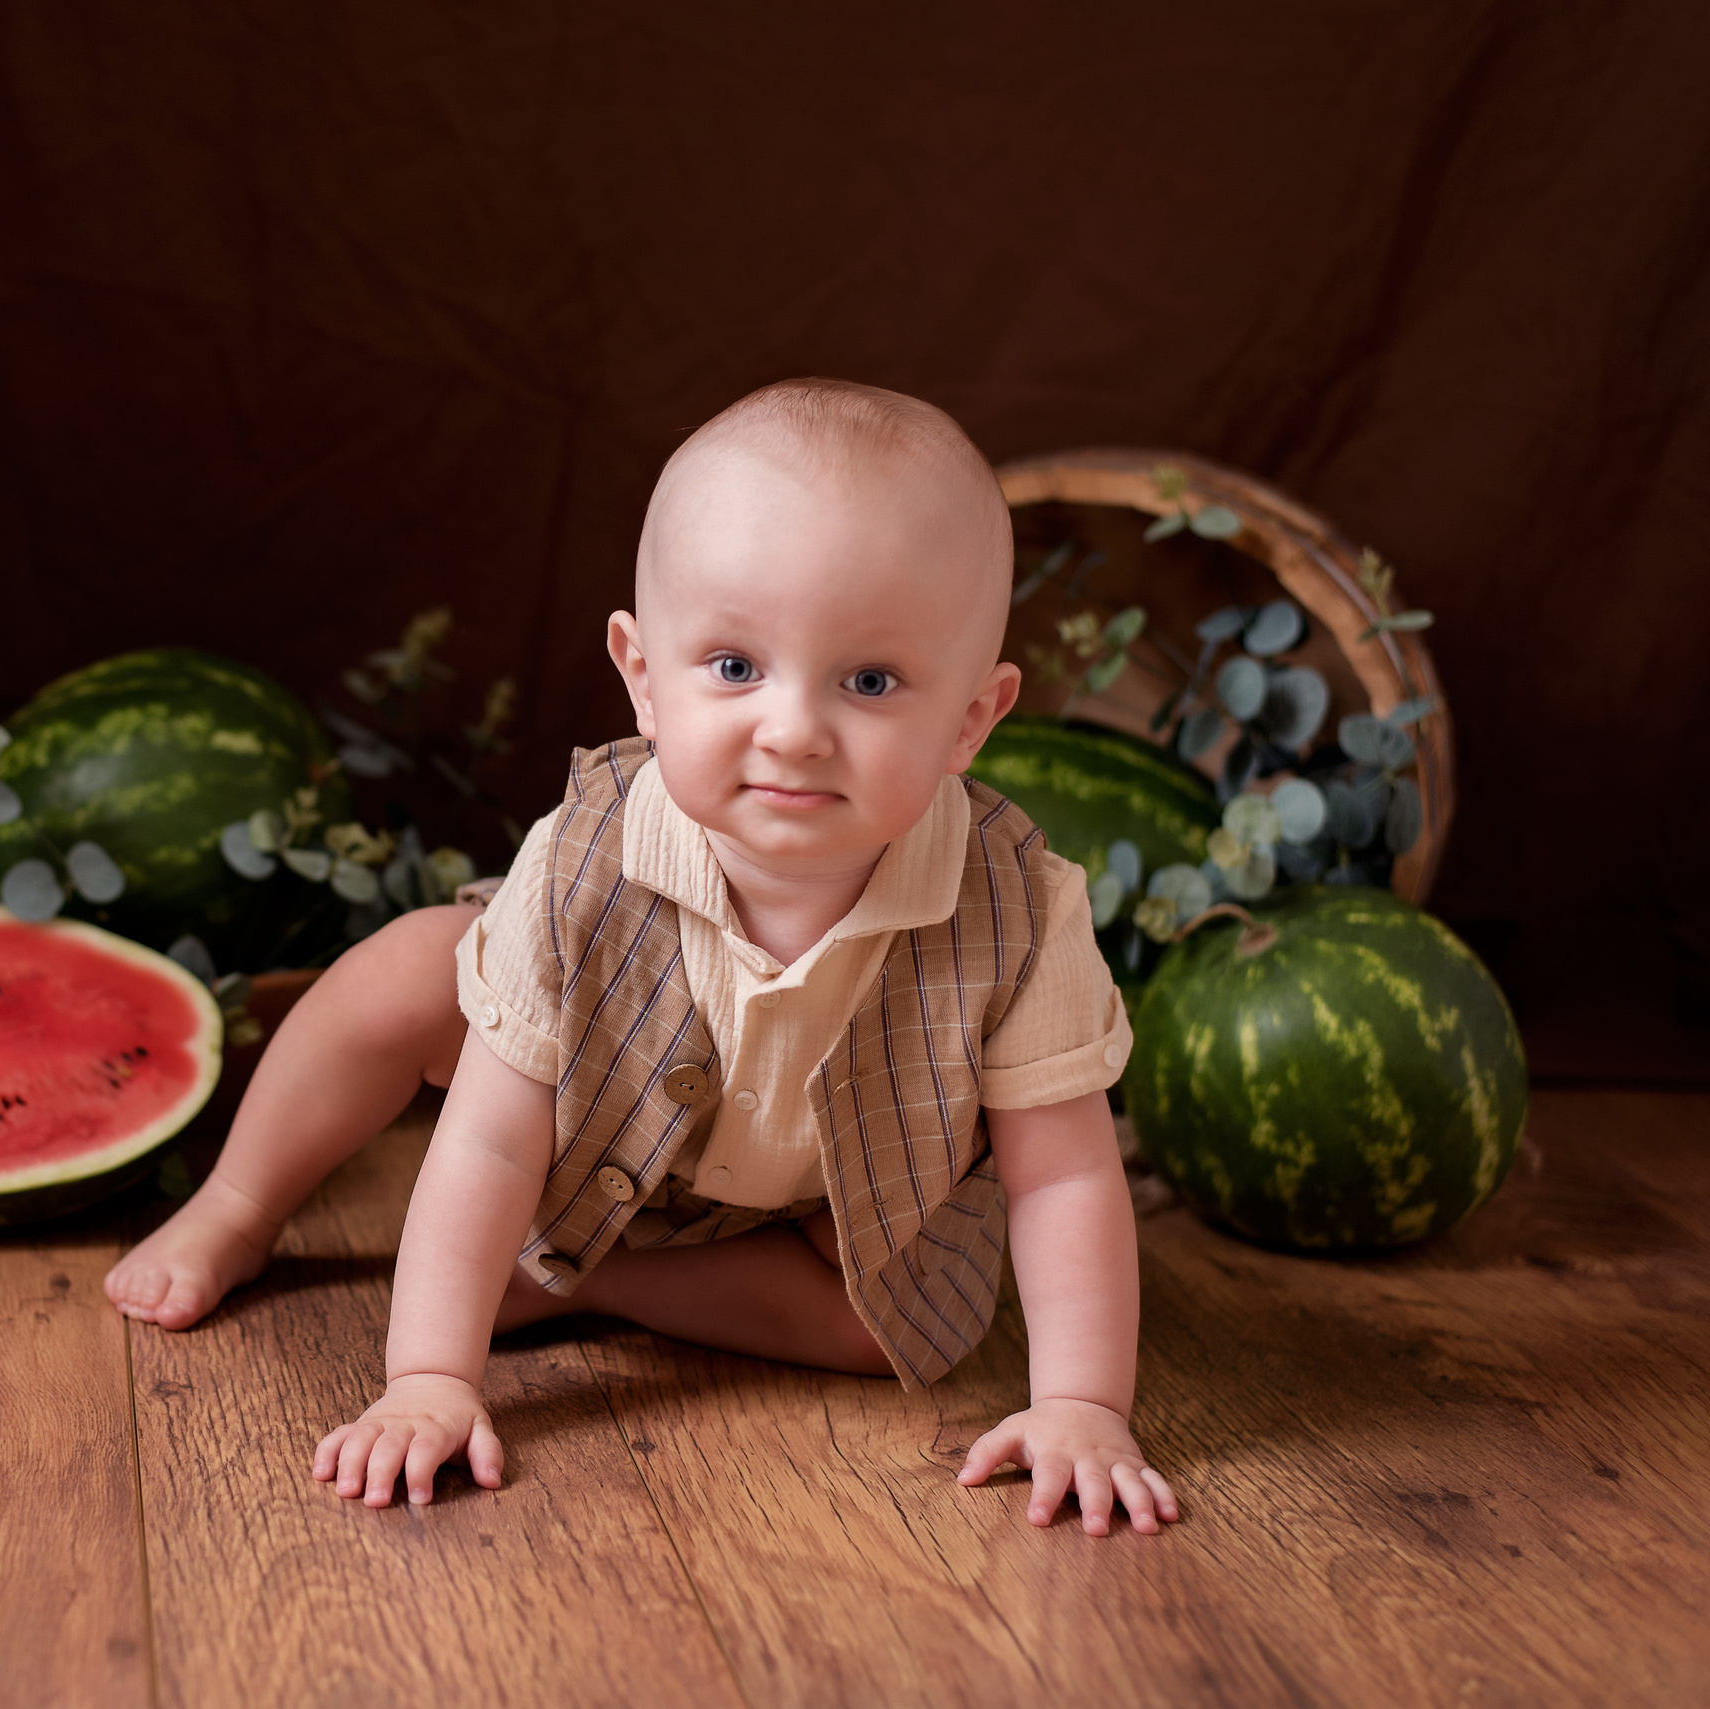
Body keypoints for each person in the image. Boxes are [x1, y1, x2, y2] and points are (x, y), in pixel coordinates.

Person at [106, 378, 1181, 1535]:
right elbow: (486, 1133)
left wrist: (1081, 1403)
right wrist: (428, 1377)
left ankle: (581, 1279)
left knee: (895, 1331)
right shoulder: (582, 858)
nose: (792, 727)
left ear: (973, 717)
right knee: (410, 969)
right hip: (586, 1132)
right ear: (641, 673)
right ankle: (237, 1200)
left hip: (836, 1198)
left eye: (869, 681)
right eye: (732, 664)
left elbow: (1062, 1173)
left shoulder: (1018, 906)